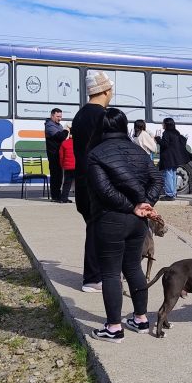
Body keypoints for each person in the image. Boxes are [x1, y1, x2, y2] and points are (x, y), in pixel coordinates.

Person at [85, 108, 163, 343]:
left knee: (111, 272)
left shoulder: (95, 154)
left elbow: (104, 191)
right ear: (123, 126)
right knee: (133, 268)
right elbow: (157, 179)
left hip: (110, 219)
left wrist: (133, 206)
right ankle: (140, 319)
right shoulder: (138, 151)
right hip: (138, 222)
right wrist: (145, 204)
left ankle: (114, 327)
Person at [71, 70, 114, 293]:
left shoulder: (80, 115)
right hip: (97, 181)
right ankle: (93, 278)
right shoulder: (101, 116)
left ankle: (98, 276)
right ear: (106, 90)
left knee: (94, 227)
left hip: (82, 179)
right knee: (99, 229)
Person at [158, 118, 189, 201]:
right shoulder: (176, 132)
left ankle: (169, 194)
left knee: (168, 175)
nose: (162, 124)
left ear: (166, 124)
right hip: (175, 158)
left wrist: (158, 140)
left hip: (168, 157)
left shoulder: (166, 133)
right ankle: (173, 193)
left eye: (163, 123)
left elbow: (165, 144)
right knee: (173, 174)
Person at [44, 108, 68, 201]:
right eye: (58, 116)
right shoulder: (50, 126)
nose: (60, 118)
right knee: (55, 176)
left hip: (59, 154)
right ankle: (55, 197)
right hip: (53, 154)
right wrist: (66, 130)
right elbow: (61, 136)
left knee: (59, 176)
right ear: (52, 115)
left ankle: (59, 196)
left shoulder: (58, 125)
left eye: (61, 116)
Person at [57, 126, 76, 203]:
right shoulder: (80, 143)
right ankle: (81, 199)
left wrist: (62, 165)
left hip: (68, 167)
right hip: (77, 166)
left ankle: (64, 198)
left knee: (67, 183)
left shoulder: (64, 143)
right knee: (79, 184)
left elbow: (61, 156)